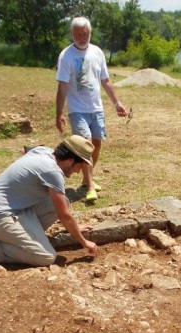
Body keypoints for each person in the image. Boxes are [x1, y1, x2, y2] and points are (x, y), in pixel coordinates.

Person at [0, 135, 98, 270]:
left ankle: (22, 239)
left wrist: (74, 228)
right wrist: (83, 241)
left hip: (9, 207)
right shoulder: (52, 171)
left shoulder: (44, 152)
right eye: (80, 166)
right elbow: (64, 215)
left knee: (63, 201)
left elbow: (61, 208)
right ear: (71, 159)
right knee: (46, 257)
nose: (78, 171)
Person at [55, 16, 128, 203]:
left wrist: (117, 103)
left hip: (96, 109)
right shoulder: (66, 56)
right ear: (72, 34)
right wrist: (59, 113)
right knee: (85, 145)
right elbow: (62, 86)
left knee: (96, 145)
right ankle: (90, 185)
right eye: (78, 34)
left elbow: (105, 81)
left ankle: (88, 179)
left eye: (85, 33)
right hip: (77, 109)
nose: (82, 37)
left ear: (90, 33)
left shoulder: (97, 52)